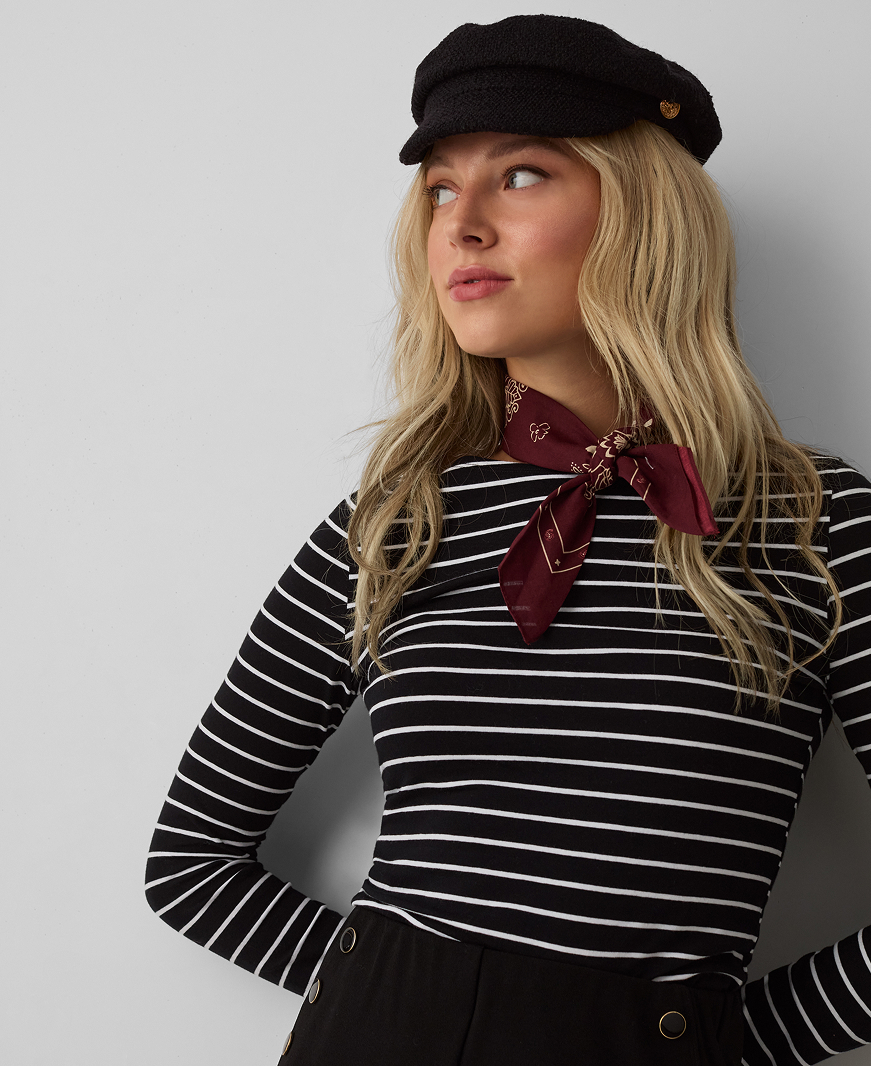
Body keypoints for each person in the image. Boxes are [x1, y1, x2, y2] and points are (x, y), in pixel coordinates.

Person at [145, 14, 871, 1066]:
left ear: (643, 214)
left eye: (521, 175)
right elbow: (190, 862)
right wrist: (391, 999)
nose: (463, 225)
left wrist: (730, 1041)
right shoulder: (393, 523)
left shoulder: (813, 520)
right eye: (441, 189)